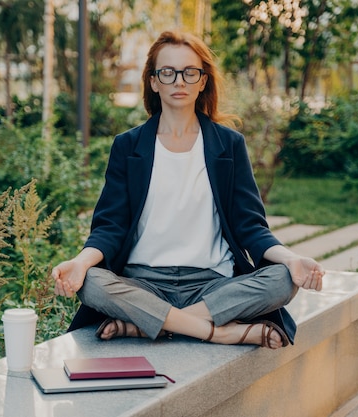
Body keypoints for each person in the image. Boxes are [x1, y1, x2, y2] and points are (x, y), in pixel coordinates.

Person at [52, 30, 324, 349]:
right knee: (92, 283)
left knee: (282, 279)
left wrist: (292, 260)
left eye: (189, 72)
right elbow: (109, 227)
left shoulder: (229, 145)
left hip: (211, 285)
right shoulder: (128, 147)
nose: (179, 81)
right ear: (154, 81)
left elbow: (250, 227)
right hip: (142, 283)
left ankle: (154, 323)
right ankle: (215, 331)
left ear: (202, 81)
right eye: (167, 72)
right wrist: (81, 263)